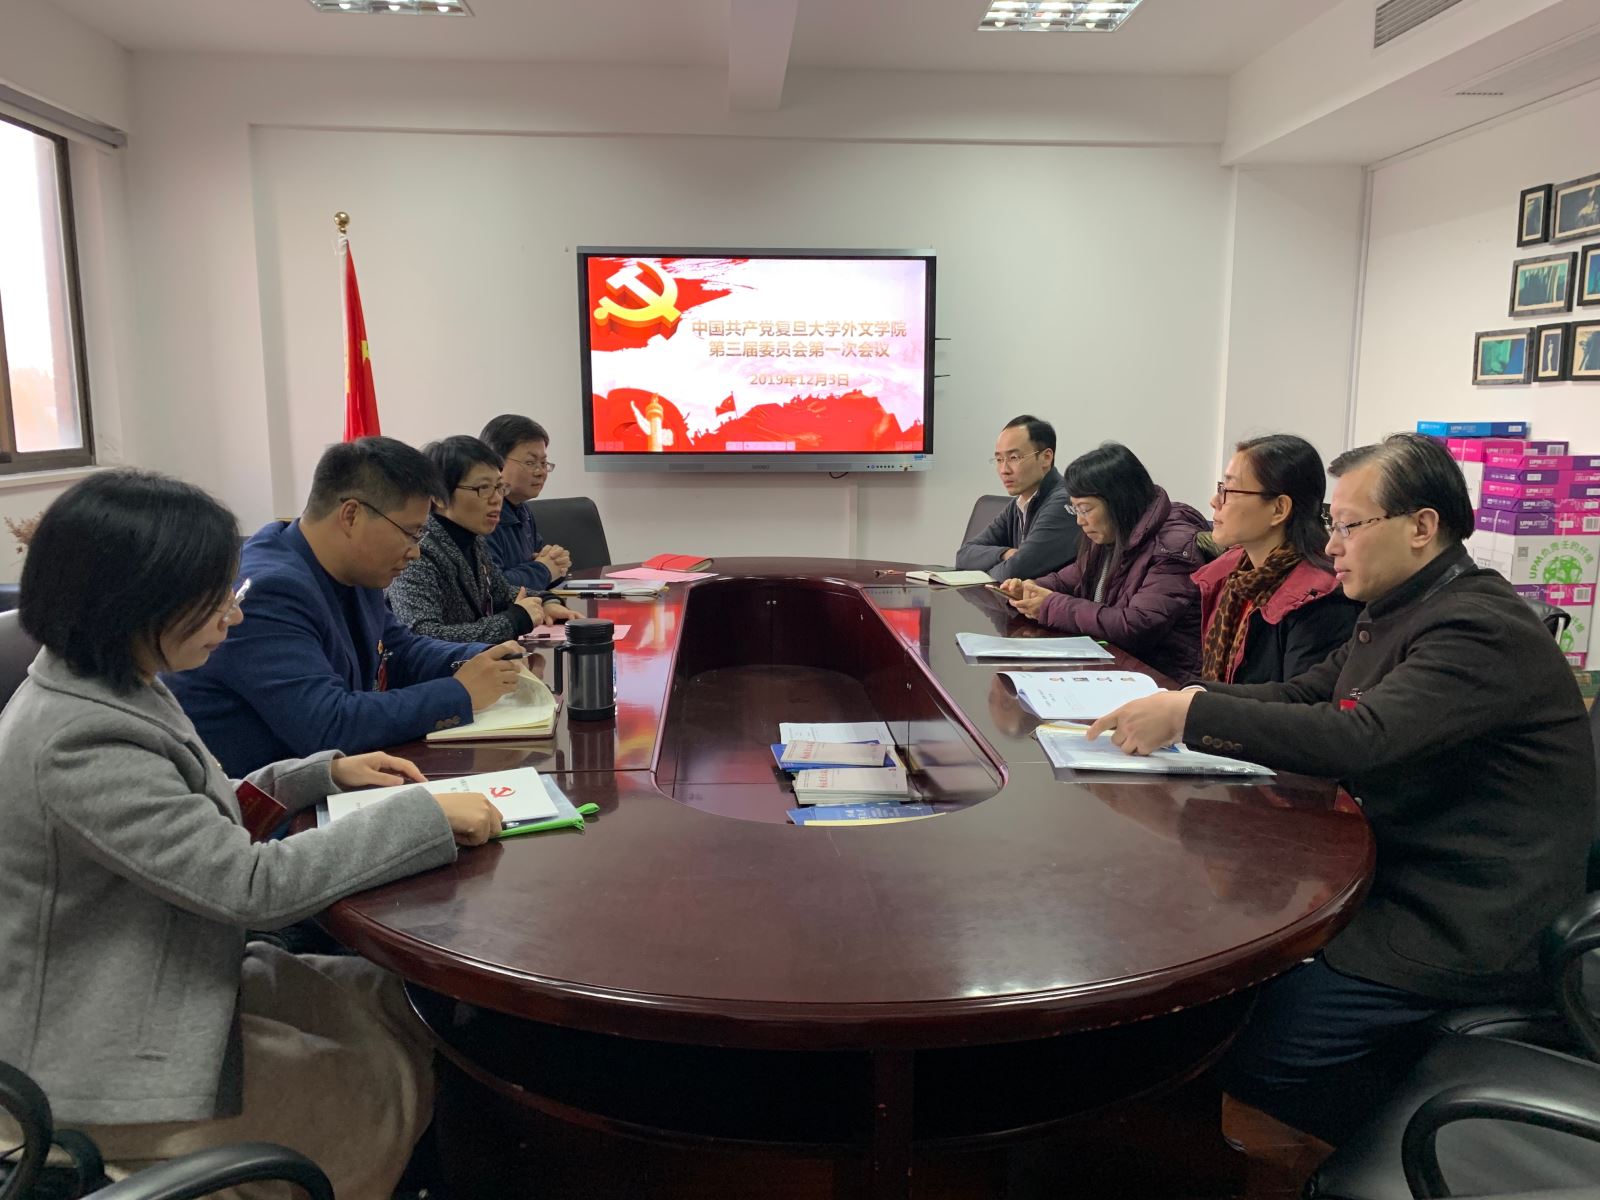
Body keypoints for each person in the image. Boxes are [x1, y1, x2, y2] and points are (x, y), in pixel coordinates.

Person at [0, 469, 506, 1199]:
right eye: (216, 601)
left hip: (163, 973)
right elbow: (248, 886)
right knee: (385, 1082)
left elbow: (184, 809)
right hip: (98, 1054)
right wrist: (424, 816)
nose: (234, 617)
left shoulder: (106, 679)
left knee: (403, 1004)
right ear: (134, 601)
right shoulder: (77, 739)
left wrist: (316, 774)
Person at [1086, 433, 1594, 1142]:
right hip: (1397, 864)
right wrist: (1183, 698)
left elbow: (1361, 736)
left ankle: (1440, 1137)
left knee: (1252, 1049)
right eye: (1333, 523)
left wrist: (1192, 717)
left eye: (1349, 526)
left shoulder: (1477, 627)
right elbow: (1307, 694)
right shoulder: (1401, 607)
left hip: (1461, 910)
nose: (1331, 545)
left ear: (1421, 526)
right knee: (1218, 983)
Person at [168, 436, 528, 777]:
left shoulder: (355, 569)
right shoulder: (270, 590)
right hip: (261, 802)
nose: (415, 551)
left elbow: (400, 649)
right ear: (351, 515)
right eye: (410, 533)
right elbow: (327, 724)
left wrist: (478, 657)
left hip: (326, 779)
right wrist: (460, 693)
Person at [998, 442, 1207, 679]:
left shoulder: (1173, 548)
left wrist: (1050, 606)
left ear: (1118, 501)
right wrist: (1032, 588)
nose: (1080, 521)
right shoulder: (1114, 532)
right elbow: (1072, 577)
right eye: (1075, 509)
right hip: (1115, 664)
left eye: (1085, 509)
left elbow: (1135, 626)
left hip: (1163, 679)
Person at [1194, 434, 1360, 685]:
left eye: (1230, 490)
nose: (1215, 501)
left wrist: (1197, 702)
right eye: (1221, 487)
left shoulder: (1322, 601)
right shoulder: (1233, 575)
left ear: (1279, 509)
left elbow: (1299, 703)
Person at [387, 435, 578, 643]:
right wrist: (514, 620)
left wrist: (545, 601)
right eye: (484, 488)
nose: (497, 499)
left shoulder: (473, 539)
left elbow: (501, 592)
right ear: (439, 496)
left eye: (499, 487)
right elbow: (422, 636)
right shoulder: (416, 552)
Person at [955, 414, 1080, 581]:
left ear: (1046, 458)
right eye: (999, 459)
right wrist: (1004, 554)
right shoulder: (1018, 504)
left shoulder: (1063, 502)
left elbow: (1015, 571)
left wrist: (985, 569)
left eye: (1014, 458)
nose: (1004, 470)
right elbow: (964, 556)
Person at [480, 414, 571, 589]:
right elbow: (494, 586)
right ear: (496, 462)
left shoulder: (523, 510)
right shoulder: (483, 514)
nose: (540, 472)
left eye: (543, 463)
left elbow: (542, 565)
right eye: (530, 463)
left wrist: (556, 563)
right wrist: (544, 570)